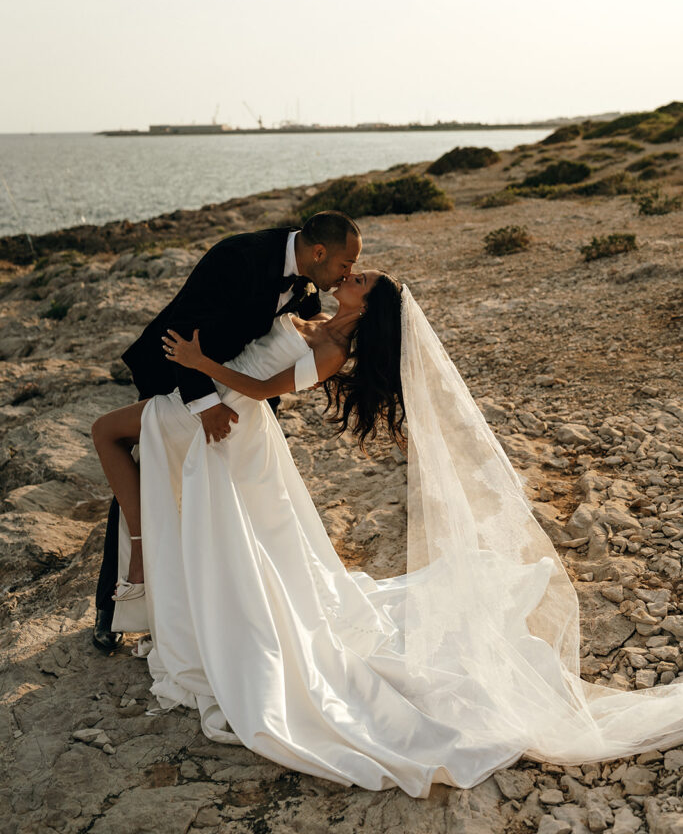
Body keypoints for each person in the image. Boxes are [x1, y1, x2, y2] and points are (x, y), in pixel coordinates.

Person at [94, 266, 683, 798]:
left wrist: (198, 365)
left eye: (359, 280)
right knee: (240, 535)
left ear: (368, 306)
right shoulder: (315, 315)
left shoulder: (334, 351)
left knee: (219, 527)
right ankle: (171, 588)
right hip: (226, 425)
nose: (350, 275)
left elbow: (261, 391)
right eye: (352, 271)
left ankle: (167, 583)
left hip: (230, 420)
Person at [90, 210, 362, 651]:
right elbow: (180, 331)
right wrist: (205, 404)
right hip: (176, 377)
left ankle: (203, 607)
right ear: (318, 252)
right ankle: (113, 607)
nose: (347, 274)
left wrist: (276, 393)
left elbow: (300, 344)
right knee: (145, 474)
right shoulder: (239, 256)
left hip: (240, 401)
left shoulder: (309, 283)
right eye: (345, 264)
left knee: (216, 500)